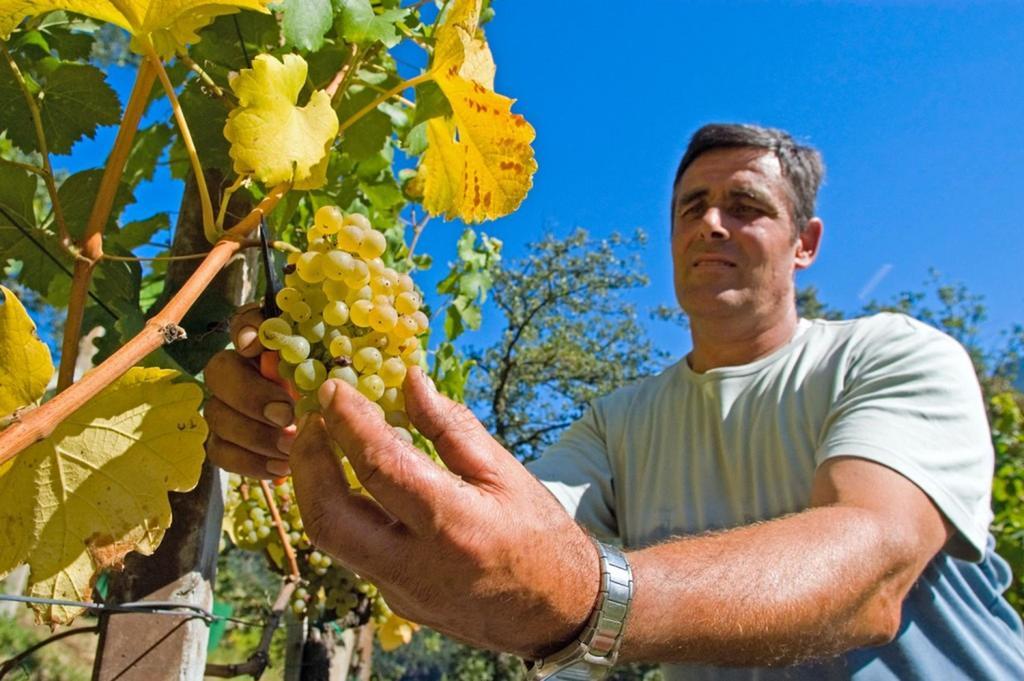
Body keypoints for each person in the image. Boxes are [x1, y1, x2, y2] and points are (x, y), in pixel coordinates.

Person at [204, 123, 1024, 679]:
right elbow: (501, 535)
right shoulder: (617, 422)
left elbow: (868, 571)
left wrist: (593, 597)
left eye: (746, 206)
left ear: (805, 242)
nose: (711, 225)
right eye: (691, 207)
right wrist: (316, 412)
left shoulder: (896, 355)